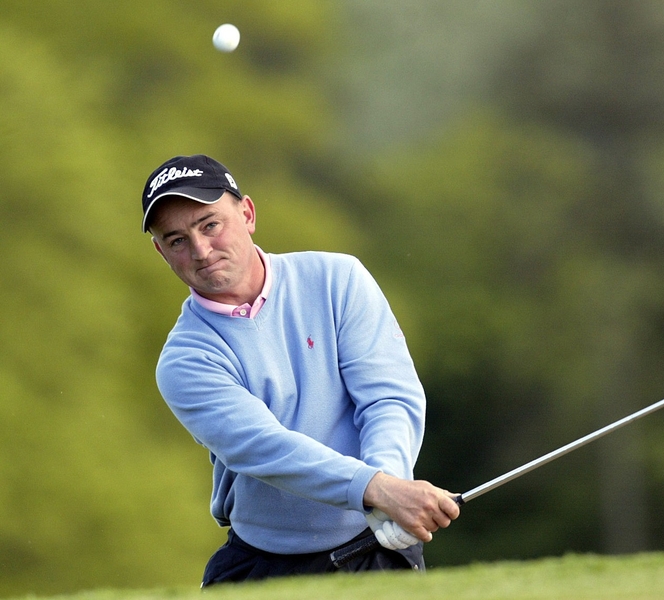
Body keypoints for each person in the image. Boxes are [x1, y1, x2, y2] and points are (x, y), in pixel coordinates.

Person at [141, 154, 460, 586]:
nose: (200, 250)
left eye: (210, 225)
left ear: (247, 213)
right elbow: (267, 448)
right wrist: (379, 490)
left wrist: (390, 485)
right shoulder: (185, 358)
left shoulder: (336, 278)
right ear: (161, 252)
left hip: (376, 547)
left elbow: (388, 397)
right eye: (176, 240)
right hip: (265, 564)